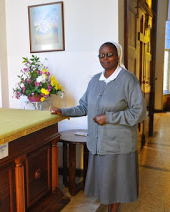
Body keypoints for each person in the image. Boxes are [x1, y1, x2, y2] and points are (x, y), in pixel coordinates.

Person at [51, 42, 146, 212]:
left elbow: (139, 112)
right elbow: (84, 107)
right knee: (106, 184)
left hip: (118, 146)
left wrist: (109, 117)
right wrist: (62, 111)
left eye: (109, 54)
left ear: (118, 56)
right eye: (101, 55)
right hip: (99, 144)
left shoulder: (128, 80)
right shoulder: (95, 80)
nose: (105, 58)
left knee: (116, 185)